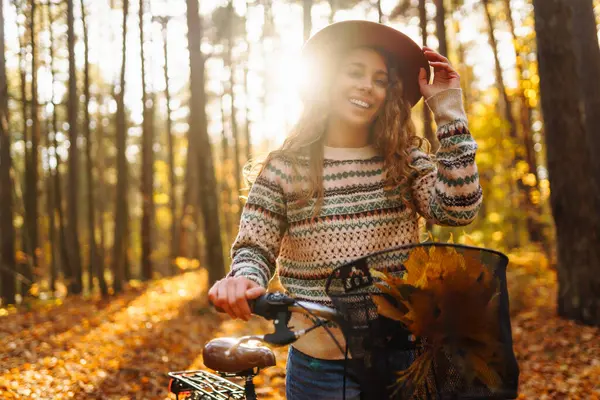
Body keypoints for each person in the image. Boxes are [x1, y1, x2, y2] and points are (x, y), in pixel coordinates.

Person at [208, 20, 482, 400]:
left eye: (381, 79)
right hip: (321, 361)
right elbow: (254, 247)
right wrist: (242, 278)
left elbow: (458, 209)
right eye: (354, 72)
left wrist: (448, 108)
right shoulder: (285, 168)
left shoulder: (404, 161)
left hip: (404, 353)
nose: (367, 85)